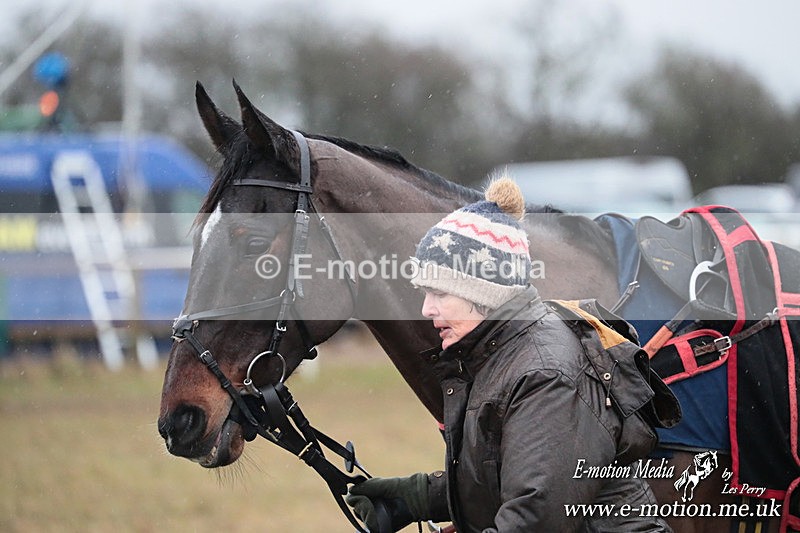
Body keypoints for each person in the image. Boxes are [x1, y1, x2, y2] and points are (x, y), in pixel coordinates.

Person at [346, 177, 680, 532]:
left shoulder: (546, 374)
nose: (426, 309)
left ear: (485, 293)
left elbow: (533, 521)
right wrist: (416, 497)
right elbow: (506, 474)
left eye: (440, 293)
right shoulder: (499, 354)